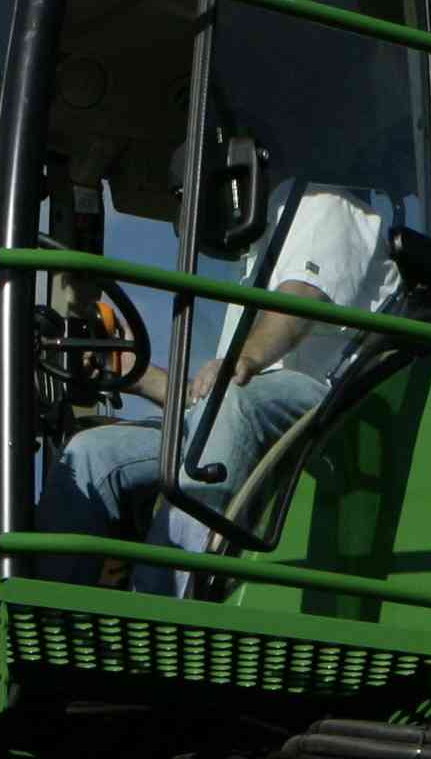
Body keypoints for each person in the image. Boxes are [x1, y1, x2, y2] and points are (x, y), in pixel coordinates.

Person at [38, 176, 399, 581]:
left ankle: (167, 601)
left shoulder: (321, 199)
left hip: (329, 404)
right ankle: (46, 610)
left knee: (229, 398)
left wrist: (245, 358)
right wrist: (133, 374)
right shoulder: (260, 252)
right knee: (92, 451)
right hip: (249, 407)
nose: (183, 204)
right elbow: (213, 402)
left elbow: (300, 304)